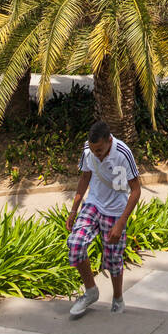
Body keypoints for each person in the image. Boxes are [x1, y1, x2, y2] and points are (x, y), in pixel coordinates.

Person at [66, 119, 141, 317]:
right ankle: (91, 291)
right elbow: (84, 178)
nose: (96, 154)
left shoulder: (123, 153)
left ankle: (117, 298)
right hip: (93, 204)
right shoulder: (88, 150)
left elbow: (135, 190)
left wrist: (121, 223)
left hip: (116, 211)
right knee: (75, 243)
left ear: (109, 140)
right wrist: (74, 210)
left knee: (113, 260)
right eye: (93, 149)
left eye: (99, 149)